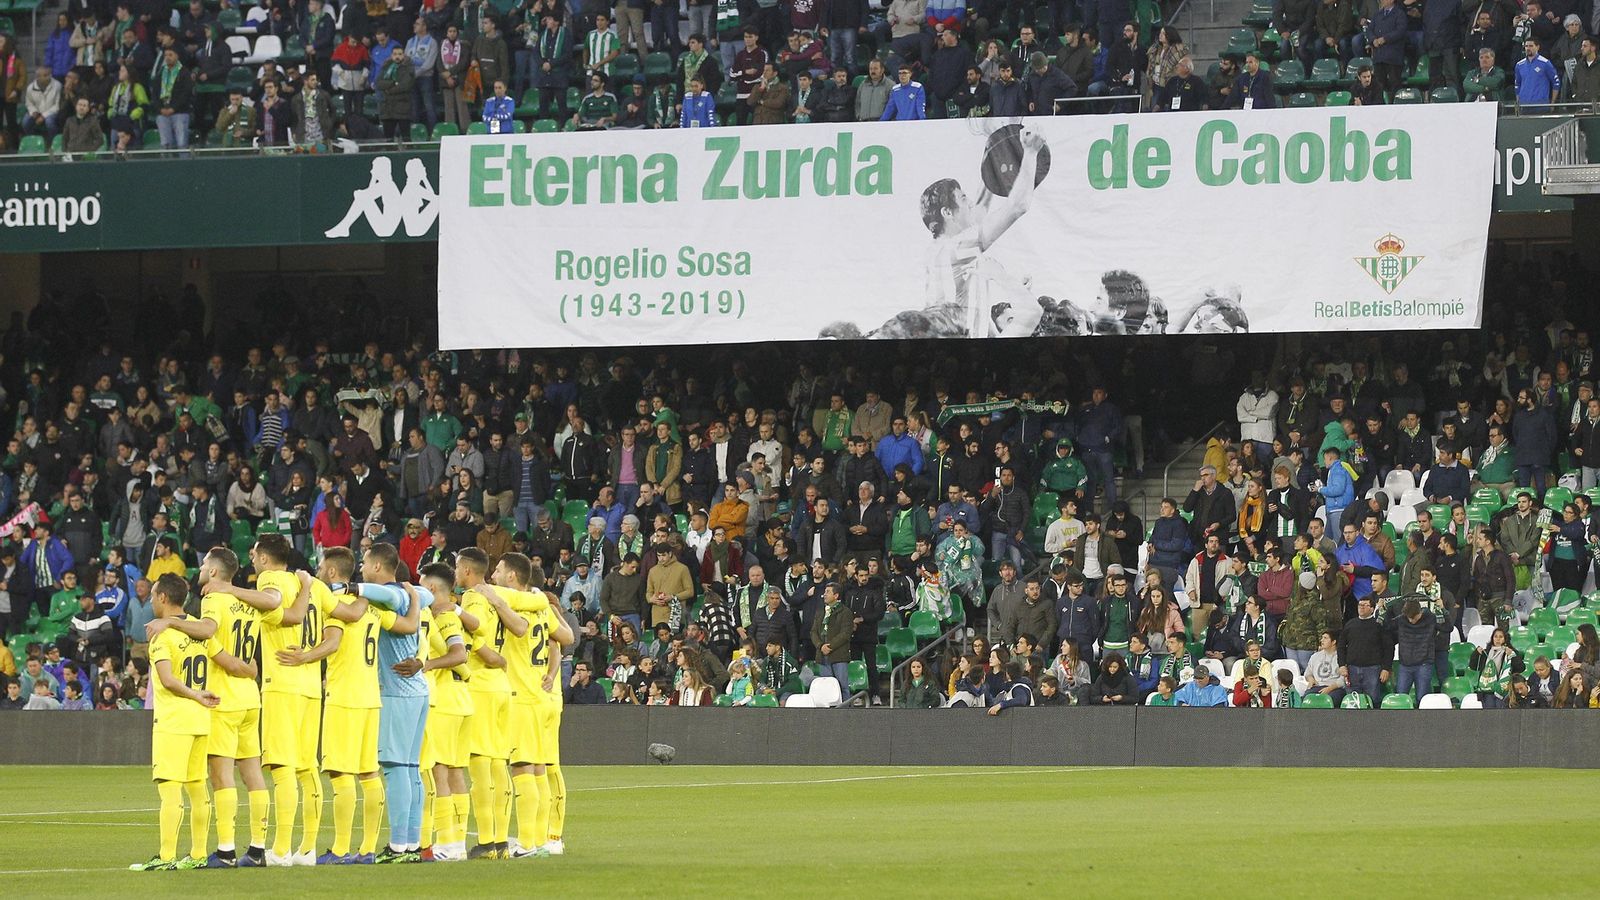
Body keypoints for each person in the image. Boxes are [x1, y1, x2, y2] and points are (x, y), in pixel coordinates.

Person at [475, 552, 572, 858]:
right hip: (540, 697)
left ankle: (528, 843)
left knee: (522, 769)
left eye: (498, 571)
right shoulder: (539, 606)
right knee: (539, 769)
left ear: (512, 576)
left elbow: (508, 613)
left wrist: (489, 594)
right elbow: (563, 639)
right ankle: (541, 840)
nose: (493, 576)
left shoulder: (515, 605)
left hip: (522, 697)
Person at [129, 575, 224, 871]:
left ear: (162, 598)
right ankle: (198, 854)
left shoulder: (162, 634)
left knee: (170, 789)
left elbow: (168, 680)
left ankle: (167, 856)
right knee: (197, 788)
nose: (151, 601)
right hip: (201, 719)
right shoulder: (198, 628)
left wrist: (194, 694)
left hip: (173, 720)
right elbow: (223, 658)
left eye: (153, 595)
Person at [1515, 38, 1561, 111]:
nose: (1528, 48)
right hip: (1524, 106)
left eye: (1531, 46)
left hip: (1541, 105)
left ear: (1537, 47)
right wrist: (1518, 103)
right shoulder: (1519, 65)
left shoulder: (1545, 63)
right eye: (1526, 46)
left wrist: (1552, 103)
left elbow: (1556, 82)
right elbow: (1517, 84)